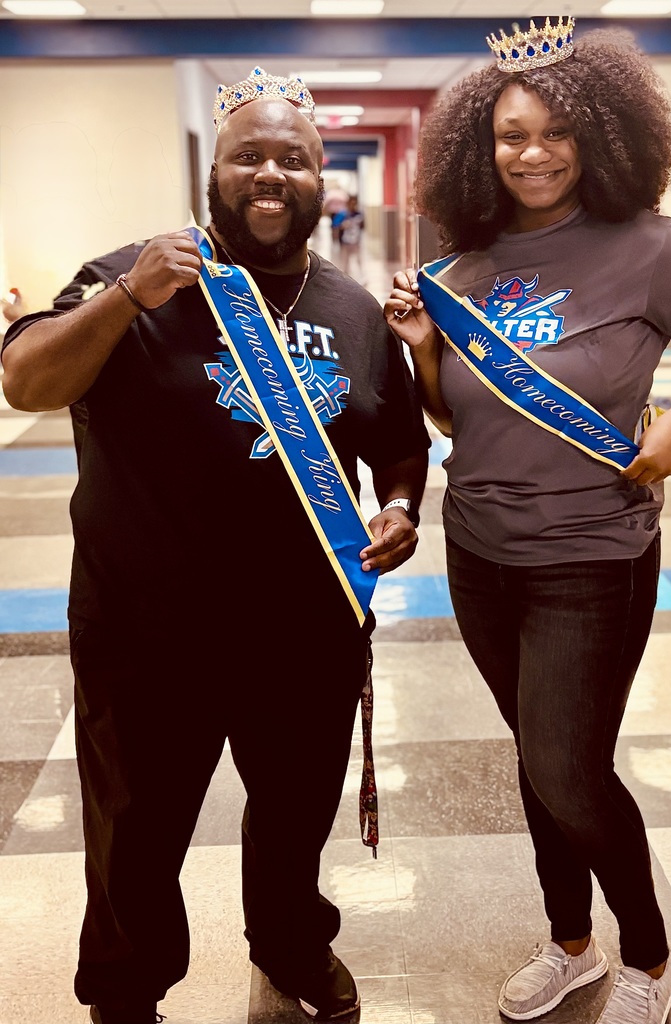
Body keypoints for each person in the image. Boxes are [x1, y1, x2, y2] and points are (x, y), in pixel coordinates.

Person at [1, 67, 430, 1024]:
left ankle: (289, 944)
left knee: (292, 817)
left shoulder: (354, 312)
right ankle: (125, 989)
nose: (269, 173)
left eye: (293, 158)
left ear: (325, 178)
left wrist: (400, 505)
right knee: (136, 831)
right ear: (215, 173)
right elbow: (26, 380)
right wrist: (125, 300)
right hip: (145, 631)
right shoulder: (134, 270)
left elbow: (398, 442)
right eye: (249, 156)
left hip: (306, 631)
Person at [385, 18, 671, 1024]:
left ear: (599, 133)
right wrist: (425, 347)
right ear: (481, 146)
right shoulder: (466, 265)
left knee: (566, 762)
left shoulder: (648, 247)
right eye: (511, 135)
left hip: (594, 552)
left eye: (555, 132)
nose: (534, 152)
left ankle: (649, 954)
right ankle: (572, 943)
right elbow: (449, 410)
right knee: (536, 754)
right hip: (479, 549)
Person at [336, 196, 366, 283]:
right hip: (345, 242)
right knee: (345, 261)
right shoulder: (343, 214)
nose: (353, 205)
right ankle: (345, 278)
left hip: (356, 241)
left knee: (358, 260)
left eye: (354, 203)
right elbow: (335, 225)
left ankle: (362, 277)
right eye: (351, 203)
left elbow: (363, 227)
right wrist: (343, 225)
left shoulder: (359, 214)